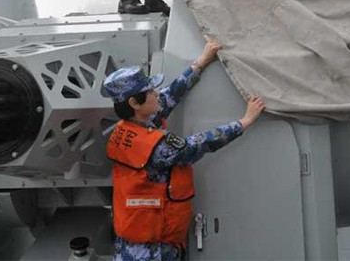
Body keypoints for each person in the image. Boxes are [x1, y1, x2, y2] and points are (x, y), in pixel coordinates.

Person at [103, 39, 265, 261]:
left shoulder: (127, 129)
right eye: (150, 91)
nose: (156, 93)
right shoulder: (155, 147)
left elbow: (170, 95)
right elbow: (200, 143)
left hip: (132, 242)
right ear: (134, 103)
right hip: (150, 252)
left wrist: (200, 62)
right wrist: (245, 121)